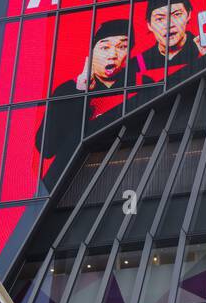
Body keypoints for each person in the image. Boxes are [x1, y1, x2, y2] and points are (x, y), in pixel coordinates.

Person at [35, 20, 133, 185]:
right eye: (105, 47)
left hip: (127, 172)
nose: (113, 55)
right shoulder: (69, 90)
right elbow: (46, 148)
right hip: (71, 181)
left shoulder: (141, 83)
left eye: (122, 47)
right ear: (91, 52)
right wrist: (81, 92)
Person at [131, 0, 206, 86]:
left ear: (188, 15)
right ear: (149, 25)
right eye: (160, 19)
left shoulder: (204, 48)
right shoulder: (139, 63)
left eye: (177, 15)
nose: (169, 25)